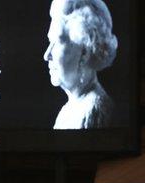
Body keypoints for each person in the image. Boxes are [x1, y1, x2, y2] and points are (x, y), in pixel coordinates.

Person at [44, 0, 118, 129]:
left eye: (58, 42)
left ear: (84, 53)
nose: (47, 55)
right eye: (50, 41)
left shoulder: (93, 110)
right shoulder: (69, 109)